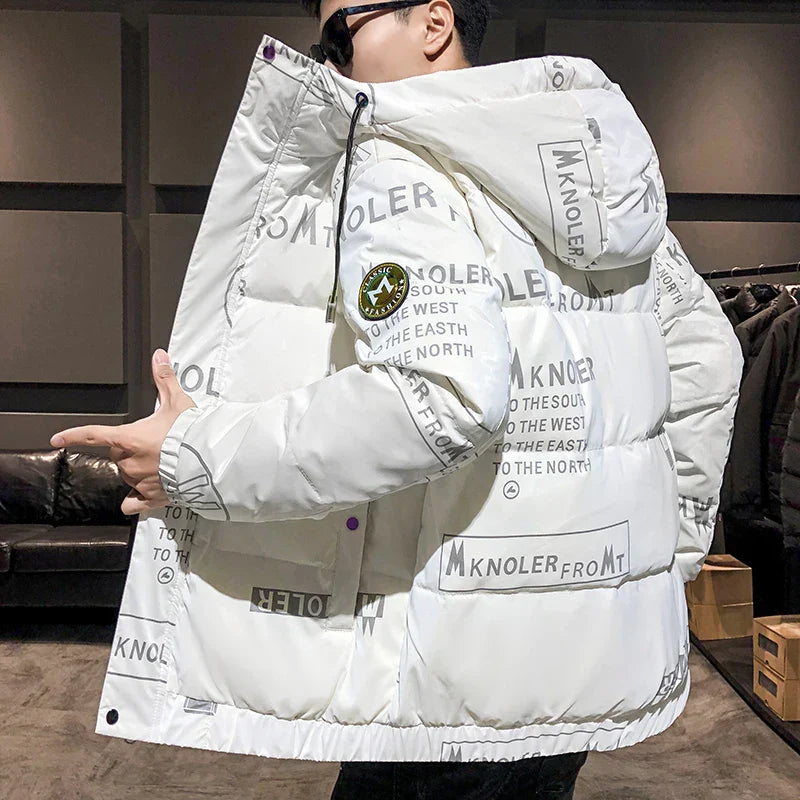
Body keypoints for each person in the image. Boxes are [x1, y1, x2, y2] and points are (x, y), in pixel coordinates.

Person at [51, 1, 743, 798]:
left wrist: (196, 459)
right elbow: (708, 356)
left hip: (454, 672)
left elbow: (444, 396)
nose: (327, 62)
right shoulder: (590, 175)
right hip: (581, 663)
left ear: (434, 23)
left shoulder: (403, 156)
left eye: (338, 35)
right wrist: (654, 567)